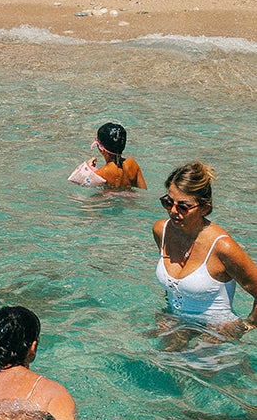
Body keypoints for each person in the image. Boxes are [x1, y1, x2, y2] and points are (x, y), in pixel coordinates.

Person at [153, 160, 257, 336]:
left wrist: (245, 326)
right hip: (176, 326)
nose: (173, 211)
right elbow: (175, 287)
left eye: (183, 207)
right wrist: (169, 313)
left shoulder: (222, 247)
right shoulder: (161, 231)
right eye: (168, 202)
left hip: (215, 335)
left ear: (205, 208)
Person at [71, 121, 145, 192]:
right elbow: (143, 190)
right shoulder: (133, 164)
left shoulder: (102, 172)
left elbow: (75, 179)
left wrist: (87, 167)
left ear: (101, 148)